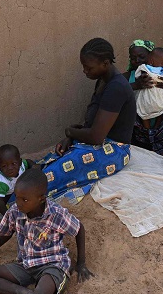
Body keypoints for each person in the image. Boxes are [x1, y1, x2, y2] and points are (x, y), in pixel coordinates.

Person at [40, 38, 134, 203]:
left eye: (88, 67)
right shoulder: (103, 81)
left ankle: (9, 201)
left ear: (105, 64)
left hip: (114, 150)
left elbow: (97, 136)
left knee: (47, 179)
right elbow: (93, 124)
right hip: (98, 142)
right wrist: (71, 137)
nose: (85, 71)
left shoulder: (116, 87)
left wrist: (69, 131)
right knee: (47, 162)